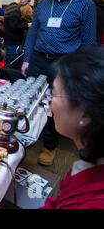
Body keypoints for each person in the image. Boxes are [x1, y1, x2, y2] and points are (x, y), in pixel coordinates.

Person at [21, 0, 97, 167]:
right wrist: (27, 59)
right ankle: (25, 136)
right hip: (38, 58)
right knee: (31, 99)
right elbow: (32, 34)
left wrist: (79, 70)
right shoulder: (44, 3)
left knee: (56, 105)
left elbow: (89, 42)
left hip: (64, 63)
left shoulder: (84, 6)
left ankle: (50, 146)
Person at [41, 47, 104, 209]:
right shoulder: (89, 158)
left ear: (85, 112)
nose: (48, 101)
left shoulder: (93, 203)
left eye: (53, 94)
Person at [3, 0, 34, 64]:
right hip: (13, 42)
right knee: (12, 64)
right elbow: (14, 26)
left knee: (8, 63)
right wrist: (28, 25)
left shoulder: (10, 6)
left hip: (9, 41)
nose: (28, 2)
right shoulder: (15, 8)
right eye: (28, 0)